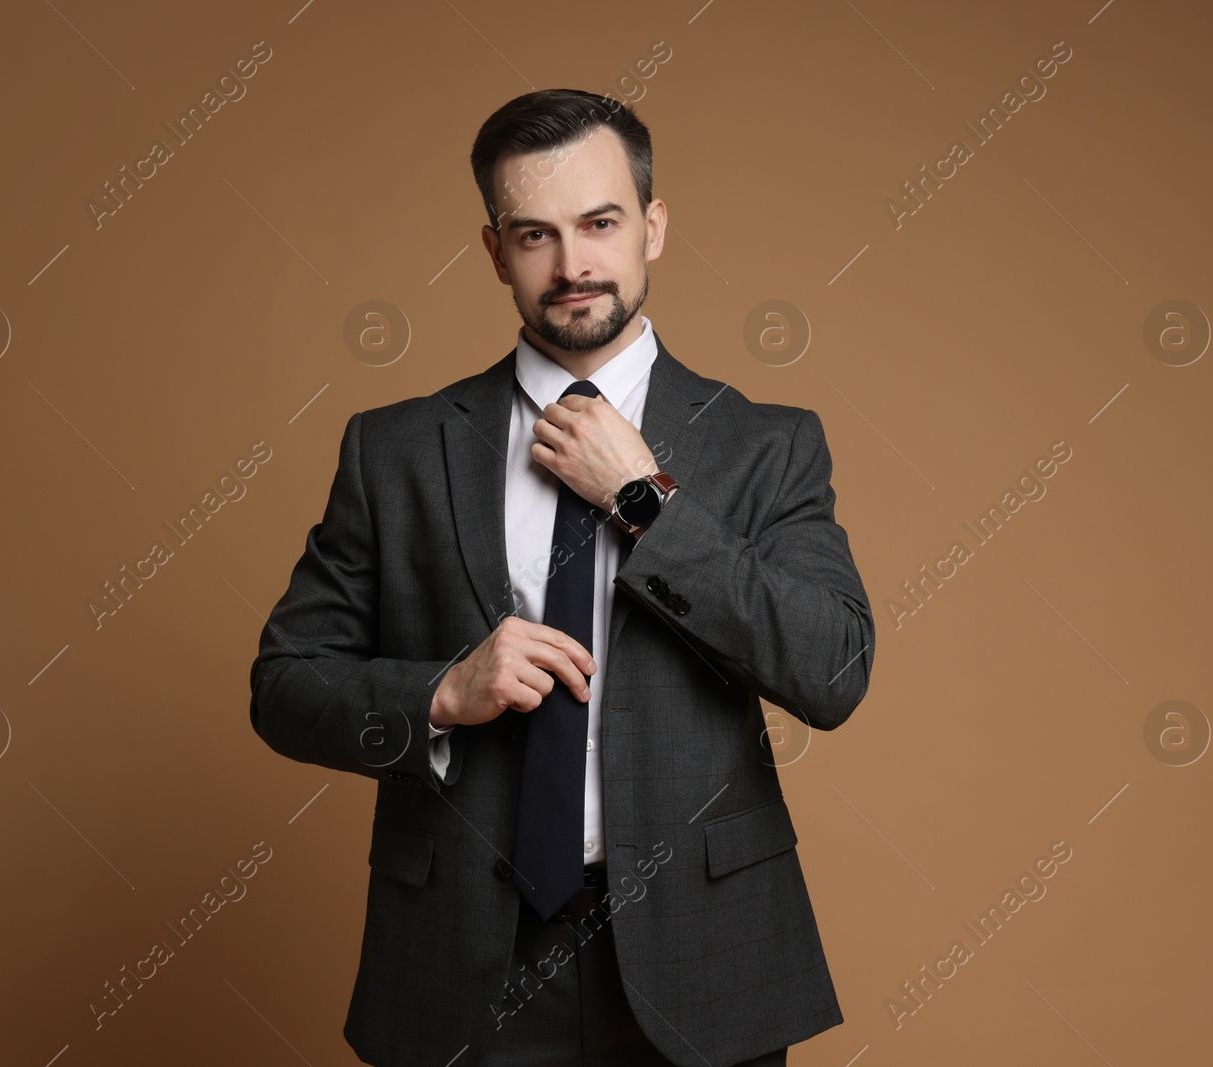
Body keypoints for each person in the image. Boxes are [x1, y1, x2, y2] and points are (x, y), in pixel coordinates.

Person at [248, 87, 875, 1067]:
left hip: (706, 957)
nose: (574, 263)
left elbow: (830, 669)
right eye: (534, 233)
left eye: (600, 223)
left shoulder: (766, 445)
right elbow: (284, 689)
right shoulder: (396, 450)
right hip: (464, 963)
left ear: (652, 227)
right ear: (494, 251)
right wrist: (442, 693)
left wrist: (646, 500)